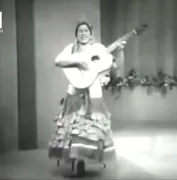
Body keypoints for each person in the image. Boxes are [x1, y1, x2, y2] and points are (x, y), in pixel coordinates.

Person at [48, 21, 125, 177]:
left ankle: (84, 158)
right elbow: (58, 61)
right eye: (80, 31)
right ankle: (77, 159)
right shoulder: (71, 48)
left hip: (94, 93)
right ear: (76, 35)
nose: (83, 34)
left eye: (86, 31)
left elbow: (116, 66)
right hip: (75, 93)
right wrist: (78, 61)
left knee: (92, 129)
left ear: (91, 34)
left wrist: (120, 51)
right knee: (74, 128)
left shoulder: (99, 49)